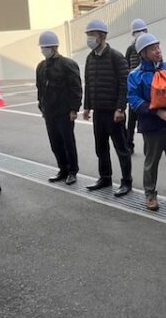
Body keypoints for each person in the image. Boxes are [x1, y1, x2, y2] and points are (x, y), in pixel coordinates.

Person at [127, 33, 166, 211]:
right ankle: (150, 196)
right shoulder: (135, 75)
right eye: (153, 49)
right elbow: (134, 100)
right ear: (143, 53)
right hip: (152, 127)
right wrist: (158, 112)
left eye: (158, 47)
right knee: (151, 163)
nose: (158, 51)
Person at [83, 19, 133, 197]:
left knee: (121, 149)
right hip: (98, 112)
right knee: (101, 147)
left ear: (102, 36)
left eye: (92, 34)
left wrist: (120, 108)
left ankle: (126, 182)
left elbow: (124, 84)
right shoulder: (90, 58)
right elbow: (88, 83)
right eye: (88, 35)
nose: (89, 38)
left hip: (113, 112)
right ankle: (105, 178)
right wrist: (87, 107)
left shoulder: (116, 57)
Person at [36, 31, 82, 185]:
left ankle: (72, 171)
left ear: (55, 47)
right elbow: (40, 88)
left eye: (46, 47)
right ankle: (62, 169)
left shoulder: (67, 64)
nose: (44, 50)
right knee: (55, 143)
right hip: (49, 113)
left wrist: (74, 109)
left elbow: (76, 88)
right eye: (42, 47)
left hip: (64, 112)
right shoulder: (41, 66)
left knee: (68, 143)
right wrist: (42, 106)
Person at [125, 18, 147, 154]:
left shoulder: (148, 46)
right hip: (134, 87)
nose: (139, 34)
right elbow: (126, 66)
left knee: (146, 118)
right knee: (131, 120)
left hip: (146, 88)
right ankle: (129, 144)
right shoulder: (130, 49)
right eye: (136, 32)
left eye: (141, 31)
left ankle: (149, 146)